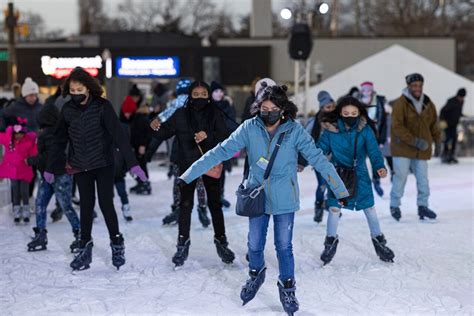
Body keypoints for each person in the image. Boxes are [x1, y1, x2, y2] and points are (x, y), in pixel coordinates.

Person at [178, 83, 349, 315]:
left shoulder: (295, 131)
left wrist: (340, 190)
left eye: (273, 109)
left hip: (284, 197)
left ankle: (287, 287)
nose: (268, 113)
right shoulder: (249, 128)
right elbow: (221, 150)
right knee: (255, 244)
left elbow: (318, 159)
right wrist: (189, 175)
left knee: (284, 246)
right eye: (263, 108)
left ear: (282, 110)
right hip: (256, 194)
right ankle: (256, 273)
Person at [44, 67, 147, 271]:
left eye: (79, 89)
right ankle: (85, 248)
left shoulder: (102, 107)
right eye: (72, 90)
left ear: (89, 89)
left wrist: (133, 163)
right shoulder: (67, 110)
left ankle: (117, 243)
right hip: (80, 165)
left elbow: (119, 136)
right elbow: (58, 141)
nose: (75, 94)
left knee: (106, 203)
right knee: (86, 206)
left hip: (103, 164)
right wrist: (50, 167)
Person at [150, 80, 234, 268]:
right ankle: (182, 244)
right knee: (185, 205)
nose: (199, 98)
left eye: (203, 94)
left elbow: (225, 136)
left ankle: (222, 242)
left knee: (215, 204)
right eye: (195, 94)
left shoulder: (215, 114)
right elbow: (164, 133)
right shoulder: (181, 114)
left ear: (209, 96)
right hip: (187, 165)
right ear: (190, 96)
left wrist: (208, 136)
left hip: (210, 164)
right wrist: (155, 126)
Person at [317, 96, 395, 265]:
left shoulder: (365, 130)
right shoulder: (331, 130)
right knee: (334, 208)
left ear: (359, 113)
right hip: (337, 175)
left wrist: (379, 166)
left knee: (369, 208)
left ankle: (380, 243)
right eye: (346, 113)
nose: (350, 116)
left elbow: (374, 151)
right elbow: (319, 149)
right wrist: (304, 159)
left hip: (360, 175)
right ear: (340, 113)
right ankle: (330, 243)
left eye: (353, 113)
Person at [147, 78, 210, 227]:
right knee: (200, 182)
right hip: (198, 148)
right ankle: (202, 208)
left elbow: (162, 120)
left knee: (179, 181)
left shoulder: (174, 104)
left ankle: (177, 208)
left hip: (179, 148)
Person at [25, 104, 81, 252]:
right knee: (42, 204)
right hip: (51, 175)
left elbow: (49, 156)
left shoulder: (50, 134)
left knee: (63, 206)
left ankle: (80, 235)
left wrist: (32, 160)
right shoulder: (55, 131)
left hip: (59, 175)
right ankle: (41, 234)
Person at [390, 73, 441, 221]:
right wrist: (414, 141)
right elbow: (397, 127)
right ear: (409, 86)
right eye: (414, 85)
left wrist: (438, 141)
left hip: (421, 149)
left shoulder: (428, 103)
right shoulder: (401, 103)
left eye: (419, 85)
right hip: (402, 149)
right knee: (400, 177)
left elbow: (434, 124)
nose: (417, 88)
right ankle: (394, 205)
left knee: (423, 179)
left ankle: (423, 206)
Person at [2, 78, 43, 199]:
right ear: (25, 95)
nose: (33, 98)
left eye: (35, 95)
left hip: (35, 145)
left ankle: (29, 197)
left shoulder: (40, 107)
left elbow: (47, 121)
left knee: (32, 173)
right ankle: (16, 200)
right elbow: (3, 114)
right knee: (17, 172)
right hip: (20, 145)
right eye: (30, 95)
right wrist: (5, 130)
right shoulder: (16, 107)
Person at [303, 91, 336, 223]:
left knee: (334, 184)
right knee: (322, 184)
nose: (331, 109)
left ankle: (332, 206)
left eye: (332, 106)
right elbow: (304, 138)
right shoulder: (315, 122)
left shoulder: (339, 120)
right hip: (320, 160)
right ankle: (319, 206)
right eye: (328, 107)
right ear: (322, 108)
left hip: (336, 159)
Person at [0, 117, 37, 223]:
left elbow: (34, 153)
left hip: (25, 171)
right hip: (12, 172)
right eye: (16, 133)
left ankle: (26, 210)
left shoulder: (29, 142)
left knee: (24, 192)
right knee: (15, 192)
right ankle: (16, 210)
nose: (19, 135)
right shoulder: (9, 142)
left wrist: (30, 160)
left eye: (21, 133)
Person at [210, 81, 238, 208]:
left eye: (221, 91)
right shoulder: (206, 106)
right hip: (209, 144)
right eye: (216, 91)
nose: (219, 94)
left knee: (221, 171)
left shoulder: (227, 105)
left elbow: (232, 123)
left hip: (223, 144)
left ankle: (220, 195)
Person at [359, 81, 388, 197]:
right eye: (364, 89)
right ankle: (361, 185)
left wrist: (382, 139)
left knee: (376, 160)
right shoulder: (357, 102)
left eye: (369, 89)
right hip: (360, 137)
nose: (366, 91)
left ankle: (376, 181)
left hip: (374, 136)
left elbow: (384, 122)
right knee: (359, 162)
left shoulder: (379, 102)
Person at [129, 104, 152, 195]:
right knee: (137, 164)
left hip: (140, 146)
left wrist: (143, 145)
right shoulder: (137, 117)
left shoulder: (144, 119)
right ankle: (140, 181)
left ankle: (144, 182)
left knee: (141, 164)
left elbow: (147, 134)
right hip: (136, 145)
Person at [440, 88, 466, 164]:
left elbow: (459, 112)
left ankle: (451, 155)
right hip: (447, 124)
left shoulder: (461, 102)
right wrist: (442, 120)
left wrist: (463, 115)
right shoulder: (451, 101)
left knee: (454, 139)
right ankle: (445, 155)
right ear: (458, 95)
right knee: (448, 139)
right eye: (460, 97)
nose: (461, 98)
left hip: (454, 124)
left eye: (463, 97)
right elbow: (443, 110)